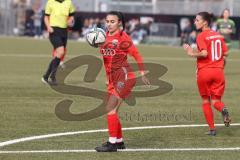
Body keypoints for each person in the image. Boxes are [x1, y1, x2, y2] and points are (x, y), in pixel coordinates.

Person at [95, 11, 150, 152]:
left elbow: (136, 54)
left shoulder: (123, 37)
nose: (109, 24)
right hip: (113, 79)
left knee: (110, 109)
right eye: (107, 21)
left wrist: (142, 72)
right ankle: (119, 141)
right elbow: (106, 61)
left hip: (124, 78)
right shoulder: (104, 36)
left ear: (119, 22)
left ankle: (112, 144)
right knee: (113, 110)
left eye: (112, 21)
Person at [183, 12, 231, 136]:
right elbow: (226, 53)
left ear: (205, 22)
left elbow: (204, 53)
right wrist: (219, 66)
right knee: (216, 101)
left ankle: (212, 129)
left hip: (205, 72)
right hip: (219, 72)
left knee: (206, 101)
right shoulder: (218, 36)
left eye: (197, 20)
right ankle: (223, 109)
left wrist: (190, 52)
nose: (195, 22)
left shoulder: (201, 36)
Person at [41, 0, 75, 85]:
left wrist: (70, 20)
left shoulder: (68, 2)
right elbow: (46, 17)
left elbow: (72, 16)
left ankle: (46, 77)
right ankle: (52, 77)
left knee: (58, 55)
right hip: (53, 31)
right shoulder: (50, 2)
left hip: (64, 31)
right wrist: (48, 27)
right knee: (61, 51)